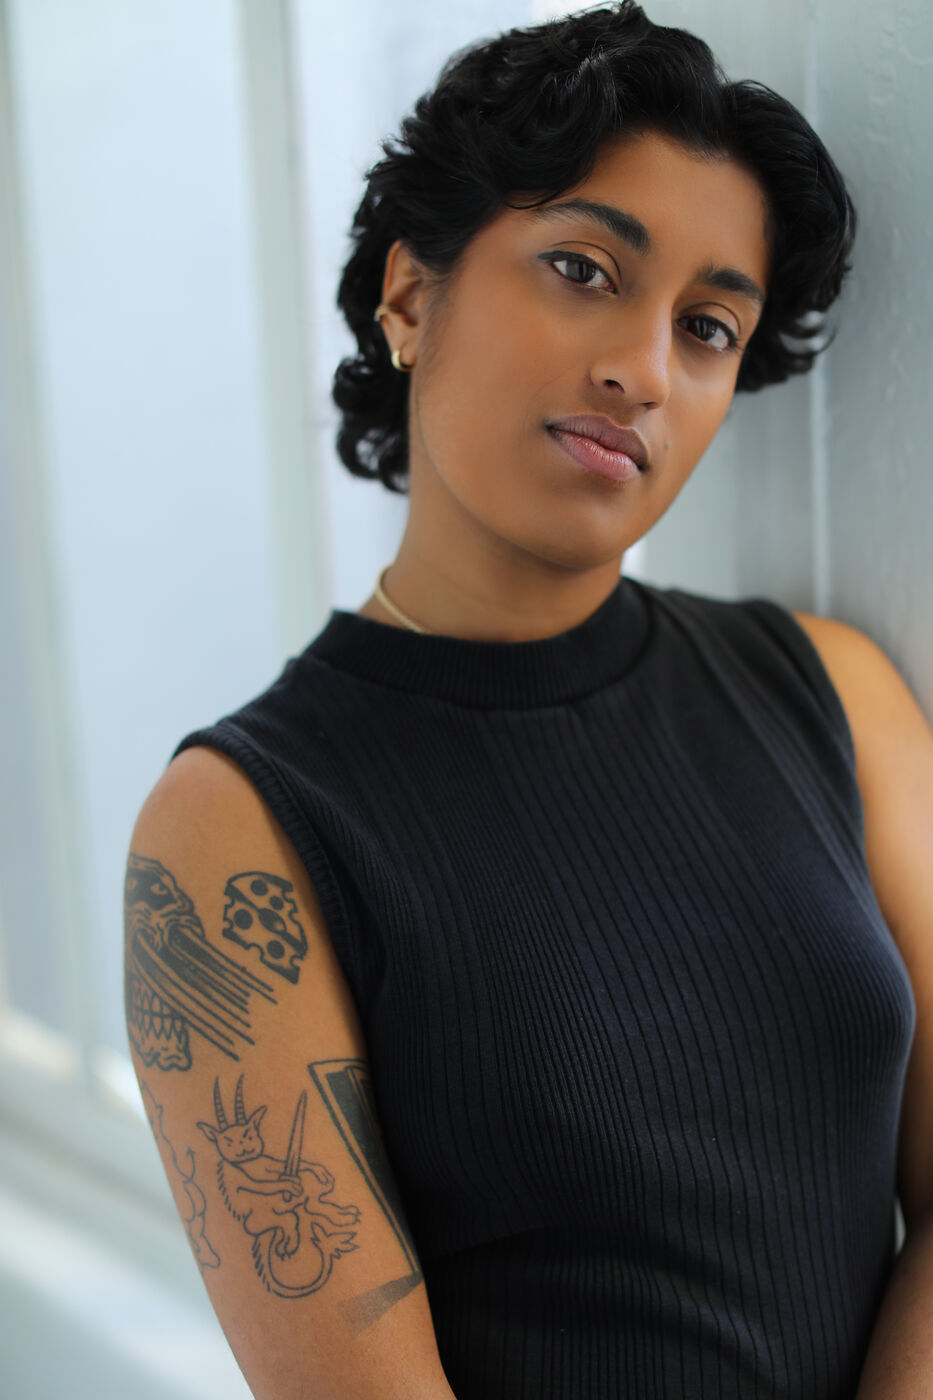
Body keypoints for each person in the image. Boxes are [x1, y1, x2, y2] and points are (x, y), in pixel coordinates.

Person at [123, 4, 933, 1397]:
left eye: (707, 325)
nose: (642, 370)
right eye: (581, 267)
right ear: (409, 294)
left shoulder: (828, 693)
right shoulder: (236, 832)